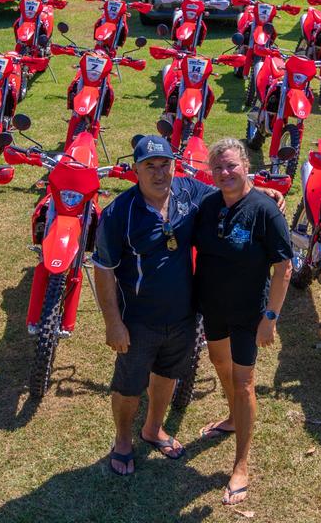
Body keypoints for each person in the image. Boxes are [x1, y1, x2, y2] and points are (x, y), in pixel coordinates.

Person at [92, 135, 208, 476]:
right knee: (129, 384)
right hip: (139, 320)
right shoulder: (119, 214)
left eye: (165, 165)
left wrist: (262, 195)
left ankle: (153, 428)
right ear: (136, 171)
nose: (159, 174)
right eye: (150, 167)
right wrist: (113, 323)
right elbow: (103, 270)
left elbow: (230, 194)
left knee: (168, 374)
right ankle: (123, 439)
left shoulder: (188, 193)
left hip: (184, 315)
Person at [193, 138, 293, 506]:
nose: (224, 173)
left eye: (231, 166)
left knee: (244, 381)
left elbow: (284, 267)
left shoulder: (266, 211)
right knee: (220, 364)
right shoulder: (208, 204)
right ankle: (234, 416)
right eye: (217, 168)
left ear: (247, 166)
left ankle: (241, 465)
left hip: (249, 312)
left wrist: (270, 317)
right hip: (213, 307)